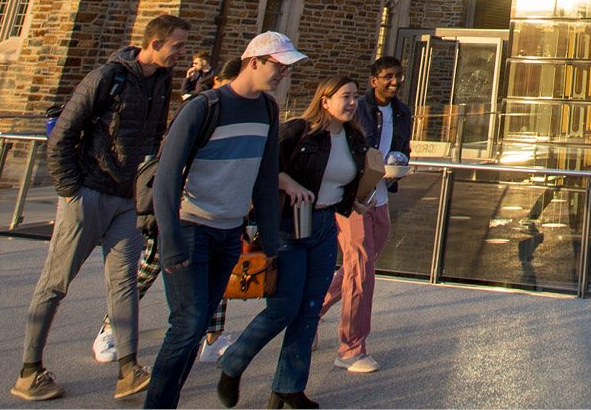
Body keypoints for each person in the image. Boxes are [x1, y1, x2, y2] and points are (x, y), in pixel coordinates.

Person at [13, 16, 189, 402]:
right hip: (89, 192)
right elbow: (61, 136)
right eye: (177, 46)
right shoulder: (109, 77)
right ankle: (29, 371)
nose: (183, 53)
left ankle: (128, 368)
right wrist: (71, 190)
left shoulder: (161, 81)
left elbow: (154, 137)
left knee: (123, 283)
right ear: (155, 44)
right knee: (56, 283)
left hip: (125, 198)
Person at [144, 32, 298, 409]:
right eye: (278, 66)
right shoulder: (203, 106)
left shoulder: (267, 109)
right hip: (191, 228)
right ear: (255, 62)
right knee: (187, 325)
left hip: (229, 233)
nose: (282, 74)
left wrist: (269, 236)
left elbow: (265, 176)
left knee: (197, 328)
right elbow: (166, 176)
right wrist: (171, 240)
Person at [217, 75, 369, 409]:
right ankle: (232, 363)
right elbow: (260, 166)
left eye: (355, 97)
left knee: (309, 310)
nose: (352, 102)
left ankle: (289, 386)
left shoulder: (355, 138)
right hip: (289, 226)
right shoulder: (297, 131)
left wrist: (357, 201)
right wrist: (287, 183)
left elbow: (349, 180)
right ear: (324, 100)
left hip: (326, 225)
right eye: (345, 96)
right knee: (283, 309)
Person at [92, 58, 245, 368]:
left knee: (216, 279)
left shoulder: (239, 115)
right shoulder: (201, 110)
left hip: (217, 211)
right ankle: (111, 329)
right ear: (220, 83)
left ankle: (213, 340)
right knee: (147, 271)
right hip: (179, 210)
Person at [321, 56, 414, 373]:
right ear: (373, 80)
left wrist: (398, 168)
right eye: (387, 76)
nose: (394, 82)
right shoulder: (355, 108)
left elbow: (404, 147)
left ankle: (313, 309)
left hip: (381, 195)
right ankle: (351, 348)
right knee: (360, 271)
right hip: (354, 196)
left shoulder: (402, 111)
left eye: (398, 76)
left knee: (358, 265)